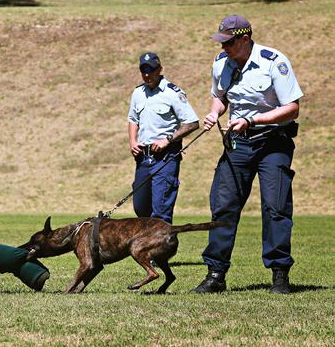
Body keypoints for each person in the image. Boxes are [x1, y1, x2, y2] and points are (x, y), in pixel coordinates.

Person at [192, 15, 303, 294]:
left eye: (228, 43)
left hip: (273, 142)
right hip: (238, 143)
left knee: (275, 207)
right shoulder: (221, 63)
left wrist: (254, 120)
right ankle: (215, 274)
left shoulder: (273, 61)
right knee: (223, 205)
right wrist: (214, 112)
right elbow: (220, 96)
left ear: (244, 39)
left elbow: (292, 108)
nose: (223, 48)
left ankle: (279, 275)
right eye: (221, 42)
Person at [127, 52, 199, 224]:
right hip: (143, 158)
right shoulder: (138, 93)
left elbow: (192, 123)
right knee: (141, 208)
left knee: (161, 211)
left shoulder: (173, 93)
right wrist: (132, 141)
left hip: (165, 158)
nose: (146, 74)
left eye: (150, 70)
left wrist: (167, 139)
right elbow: (132, 119)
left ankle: (160, 248)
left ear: (159, 69)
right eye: (143, 70)